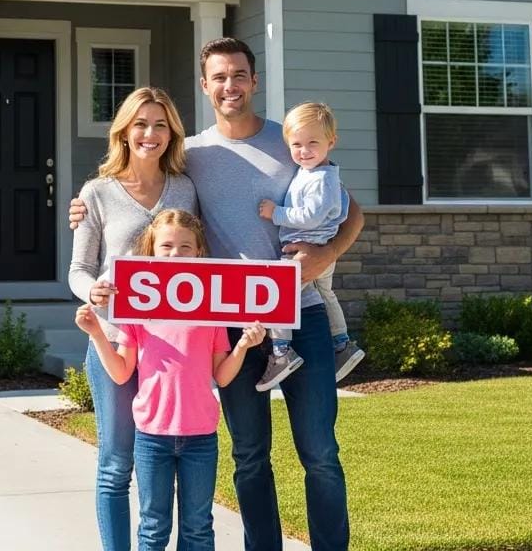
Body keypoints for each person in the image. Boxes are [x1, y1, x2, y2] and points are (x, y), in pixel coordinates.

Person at [71, 38, 362, 551]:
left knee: (319, 452)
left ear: (254, 80)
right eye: (219, 77)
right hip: (236, 327)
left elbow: (350, 210)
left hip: (303, 313)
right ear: (205, 86)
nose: (230, 86)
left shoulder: (292, 140)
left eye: (239, 75)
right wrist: (86, 207)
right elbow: (153, 209)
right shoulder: (194, 158)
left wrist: (326, 254)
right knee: (250, 455)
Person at [75, 210, 266, 551]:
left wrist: (242, 346)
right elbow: (121, 372)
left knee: (198, 528)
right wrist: (96, 334)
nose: (175, 253)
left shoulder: (211, 312)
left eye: (185, 246)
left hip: (200, 439)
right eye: (166, 246)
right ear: (151, 251)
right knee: (153, 528)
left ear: (199, 252)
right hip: (152, 439)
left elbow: (221, 376)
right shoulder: (138, 308)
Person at [68, 87, 198, 551]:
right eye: (141, 124)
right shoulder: (96, 193)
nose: (150, 134)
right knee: (116, 462)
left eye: (160, 124)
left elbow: (198, 261)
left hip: (172, 350)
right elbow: (78, 270)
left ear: (172, 133)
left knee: (164, 459)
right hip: (116, 338)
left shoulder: (184, 187)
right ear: (124, 131)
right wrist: (92, 290)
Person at [254, 101, 365, 391]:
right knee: (326, 293)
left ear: (332, 141)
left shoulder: (322, 180)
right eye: (296, 144)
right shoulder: (318, 172)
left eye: (312, 143)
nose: (304, 151)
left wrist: (275, 212)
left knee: (277, 297)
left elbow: (310, 216)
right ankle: (342, 343)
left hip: (307, 248)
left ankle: (281, 351)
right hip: (318, 245)